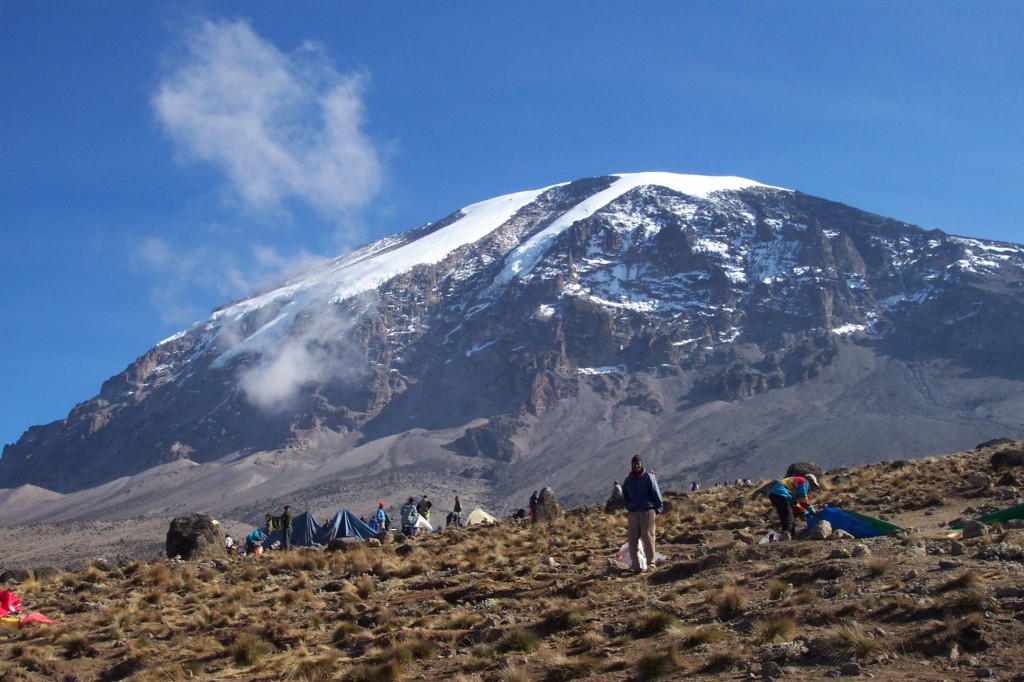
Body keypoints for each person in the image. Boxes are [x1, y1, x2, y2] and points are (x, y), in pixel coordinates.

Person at [621, 455, 663, 574]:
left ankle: (651, 563)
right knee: (632, 539)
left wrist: (658, 508)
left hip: (647, 510)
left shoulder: (648, 478)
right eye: (635, 463)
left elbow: (655, 492)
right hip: (634, 512)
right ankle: (635, 565)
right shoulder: (628, 480)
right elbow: (625, 495)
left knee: (647, 535)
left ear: (642, 464)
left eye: (638, 463)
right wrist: (629, 507)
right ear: (632, 465)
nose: (637, 465)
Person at [768, 474, 820, 538]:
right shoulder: (803, 481)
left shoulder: (795, 483)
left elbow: (795, 504)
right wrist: (811, 510)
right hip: (781, 493)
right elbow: (802, 498)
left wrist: (804, 513)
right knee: (787, 515)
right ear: (810, 481)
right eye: (813, 485)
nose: (812, 488)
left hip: (773, 494)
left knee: (787, 515)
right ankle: (786, 533)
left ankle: (790, 535)